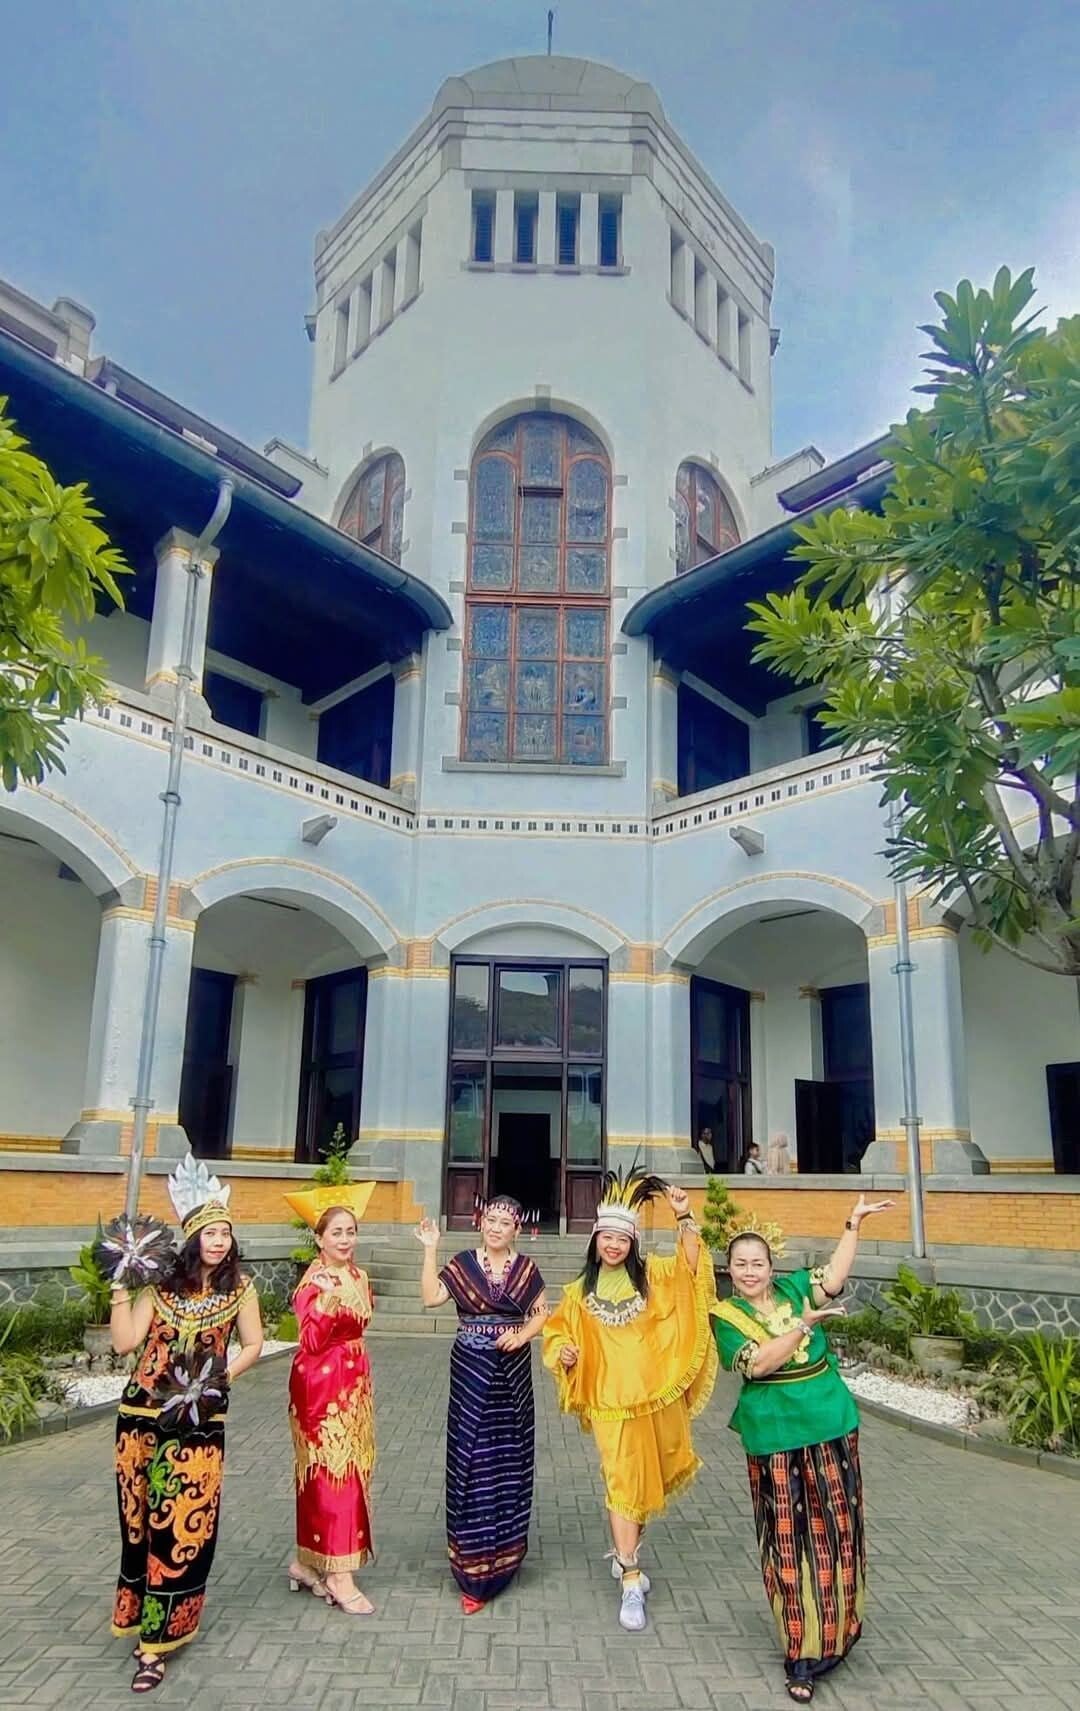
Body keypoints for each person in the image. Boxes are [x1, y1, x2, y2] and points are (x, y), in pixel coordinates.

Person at [711, 1196, 894, 1703]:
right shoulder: (726, 1316)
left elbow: (833, 1276)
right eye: (740, 1264)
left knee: (839, 1529)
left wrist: (853, 1225)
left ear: (772, 1267)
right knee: (788, 1541)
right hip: (774, 1435)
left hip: (831, 1419)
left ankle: (839, 1630)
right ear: (729, 1270)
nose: (750, 1272)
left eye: (758, 1263)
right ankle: (800, 1651)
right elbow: (759, 1365)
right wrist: (803, 1327)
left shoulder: (795, 1288)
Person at [107, 1156, 263, 1693]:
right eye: (210, 1234)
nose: (219, 1242)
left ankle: (157, 1643)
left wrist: (218, 1379)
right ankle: (138, 1620)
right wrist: (120, 1287)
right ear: (193, 1238)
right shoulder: (160, 1289)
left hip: (198, 1424)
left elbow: (254, 1344)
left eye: (225, 1233)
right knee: (139, 1526)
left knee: (182, 1529)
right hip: (140, 1419)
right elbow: (126, 1343)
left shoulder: (241, 1290)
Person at [541, 1169, 717, 1634]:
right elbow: (556, 1334)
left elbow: (691, 1268)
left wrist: (684, 1216)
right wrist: (565, 1352)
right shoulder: (577, 1294)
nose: (614, 1246)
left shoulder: (653, 1276)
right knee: (622, 1481)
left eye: (622, 1239)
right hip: (609, 1404)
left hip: (655, 1397)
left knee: (645, 1483)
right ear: (595, 1241)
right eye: (607, 1238)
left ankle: (625, 1556)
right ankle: (631, 1578)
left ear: (633, 1242)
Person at [416, 1197, 547, 1613]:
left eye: (505, 1222)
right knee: (470, 1459)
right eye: (490, 1219)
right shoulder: (462, 1264)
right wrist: (430, 1249)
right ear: (480, 1222)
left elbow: (541, 1313)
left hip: (513, 1375)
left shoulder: (527, 1270)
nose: (495, 1227)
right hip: (470, 1371)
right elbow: (431, 1298)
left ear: (517, 1230)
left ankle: (505, 1557)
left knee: (510, 1458)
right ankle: (472, 1567)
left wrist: (523, 1335)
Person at [288, 1204, 376, 1614]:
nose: (344, 1239)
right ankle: (340, 1575)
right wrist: (324, 1299)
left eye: (350, 1231)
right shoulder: (313, 1282)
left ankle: (307, 1562)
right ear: (319, 1239)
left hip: (354, 1383)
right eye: (336, 1232)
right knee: (332, 1472)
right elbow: (309, 1341)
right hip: (321, 1387)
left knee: (351, 1468)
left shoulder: (359, 1275)